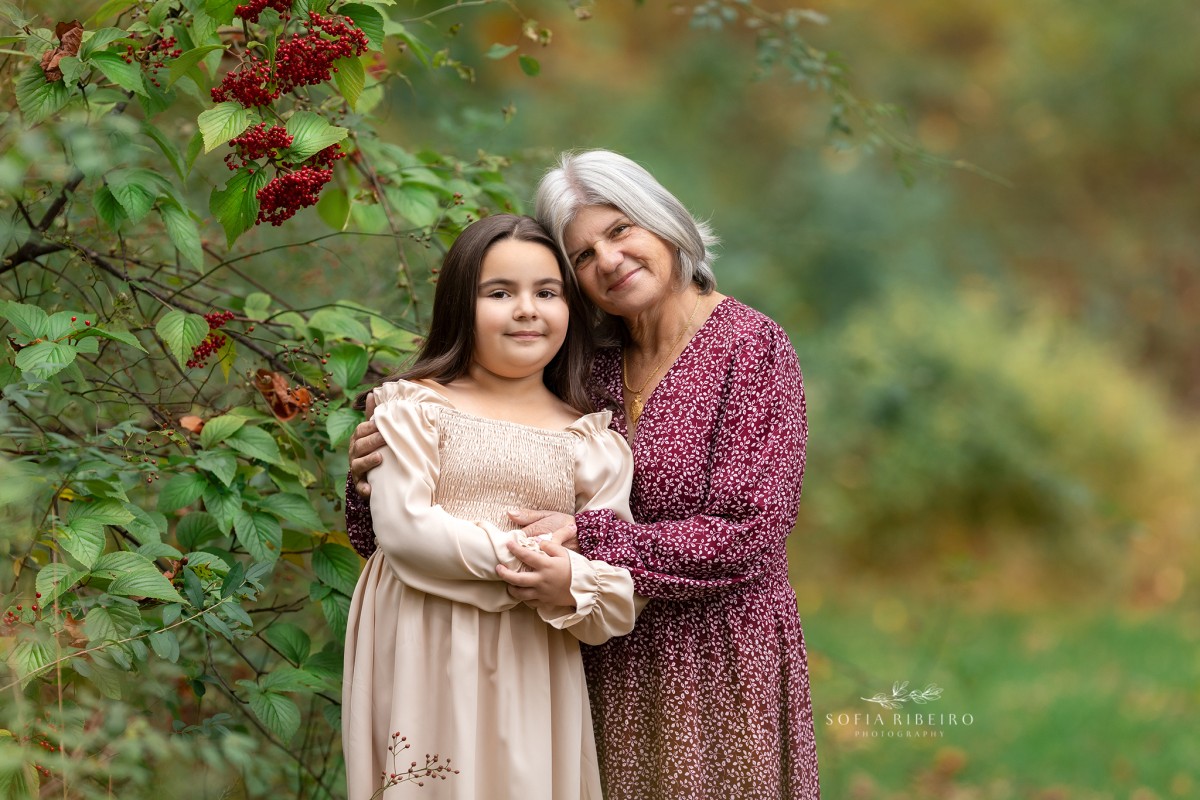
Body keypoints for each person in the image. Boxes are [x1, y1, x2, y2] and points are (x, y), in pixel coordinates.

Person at [347, 151, 820, 799]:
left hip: (712, 661)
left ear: (663, 223)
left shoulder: (751, 348)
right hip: (584, 657)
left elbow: (748, 535)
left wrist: (588, 541)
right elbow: (486, 473)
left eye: (621, 230)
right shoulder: (583, 367)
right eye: (583, 255)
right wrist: (377, 473)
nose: (609, 260)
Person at [342, 214, 643, 800]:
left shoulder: (593, 443)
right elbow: (407, 533)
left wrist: (571, 582)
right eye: (500, 293)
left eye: (547, 293)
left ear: (571, 310)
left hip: (533, 657)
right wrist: (529, 563)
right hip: (424, 640)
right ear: (460, 305)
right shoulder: (412, 410)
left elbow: (617, 597)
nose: (526, 309)